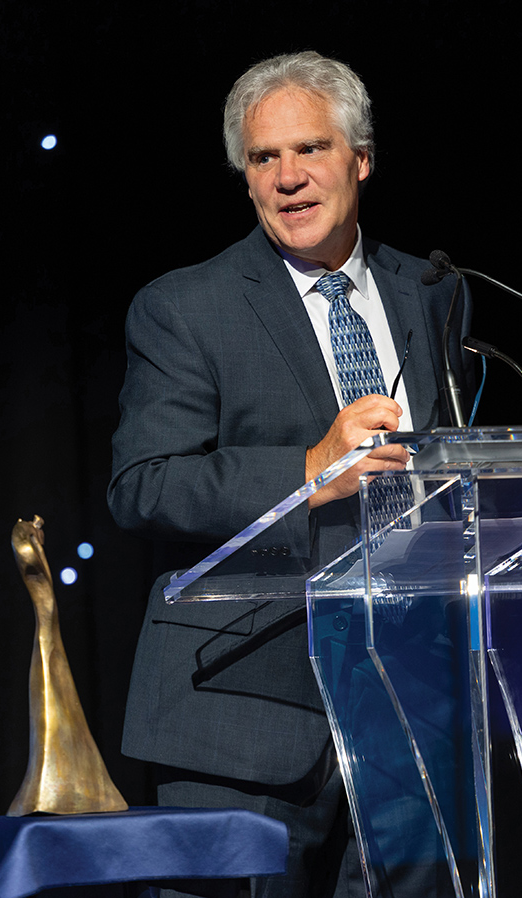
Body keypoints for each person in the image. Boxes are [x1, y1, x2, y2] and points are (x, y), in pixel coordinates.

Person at [107, 50, 470, 898]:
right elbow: (145, 483)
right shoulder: (185, 305)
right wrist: (308, 471)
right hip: (241, 714)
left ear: (362, 159)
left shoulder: (433, 292)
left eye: (310, 149)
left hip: (410, 715)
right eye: (263, 159)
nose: (288, 178)